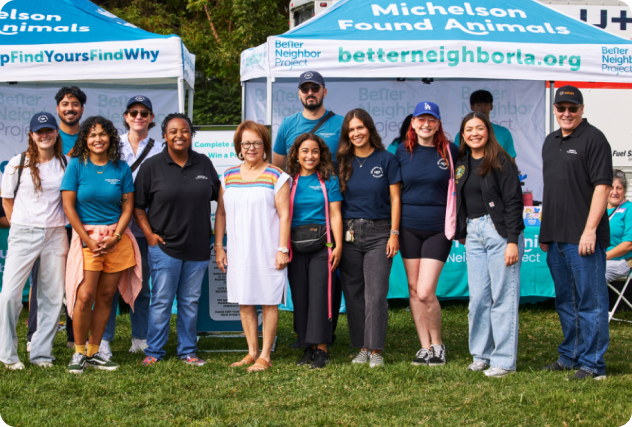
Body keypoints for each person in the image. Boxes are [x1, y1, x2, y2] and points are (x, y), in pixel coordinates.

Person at [134, 113, 220, 367]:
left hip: (198, 247)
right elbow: (138, 207)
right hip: (164, 248)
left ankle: (188, 352)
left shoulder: (204, 163)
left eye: (184, 131)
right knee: (161, 301)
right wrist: (149, 235)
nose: (179, 135)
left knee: (190, 302)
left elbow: (222, 197)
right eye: (173, 131)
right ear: (164, 135)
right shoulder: (151, 167)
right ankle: (154, 352)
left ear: (191, 135)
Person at [540, 86, 612, 380]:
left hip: (583, 238)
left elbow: (602, 187)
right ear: (555, 110)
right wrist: (546, 231)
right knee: (565, 301)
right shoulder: (550, 140)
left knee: (590, 301)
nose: (566, 113)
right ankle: (570, 356)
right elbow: (554, 189)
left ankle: (593, 364)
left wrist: (590, 230)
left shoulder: (594, 139)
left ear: (582, 109)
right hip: (556, 238)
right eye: (561, 108)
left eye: (572, 108)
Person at [61, 116, 141, 374]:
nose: (98, 139)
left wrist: (115, 236)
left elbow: (128, 206)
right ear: (85, 139)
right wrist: (87, 240)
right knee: (84, 296)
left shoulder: (121, 168)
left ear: (111, 138)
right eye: (93, 134)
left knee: (107, 296)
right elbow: (68, 206)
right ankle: (79, 352)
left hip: (116, 239)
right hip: (87, 240)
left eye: (103, 134)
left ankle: (95, 351)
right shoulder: (76, 165)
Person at [272, 71, 345, 342]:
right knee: (301, 288)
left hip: (330, 204)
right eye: (305, 89)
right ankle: (307, 336)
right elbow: (276, 169)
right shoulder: (287, 125)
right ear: (300, 93)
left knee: (326, 284)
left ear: (324, 91)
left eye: (315, 88)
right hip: (296, 216)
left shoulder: (340, 123)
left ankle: (325, 335)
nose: (310, 92)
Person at [215, 120, 291, 372]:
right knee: (244, 301)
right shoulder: (227, 176)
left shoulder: (277, 176)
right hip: (239, 250)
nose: (251, 148)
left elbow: (284, 215)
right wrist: (219, 247)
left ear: (265, 146)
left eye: (256, 143)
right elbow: (222, 215)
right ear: (238, 146)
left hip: (268, 250)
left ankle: (265, 356)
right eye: (246, 143)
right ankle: (251, 352)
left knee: (269, 301)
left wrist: (282, 249)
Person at [455, 112, 525, 378]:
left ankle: (504, 361)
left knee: (503, 298)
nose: (474, 133)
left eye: (479, 128)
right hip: (474, 233)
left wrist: (511, 241)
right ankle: (481, 355)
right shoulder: (461, 163)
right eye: (469, 129)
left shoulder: (501, 161)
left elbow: (514, 202)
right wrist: (463, 230)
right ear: (463, 135)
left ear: (488, 131)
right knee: (478, 299)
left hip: (500, 233)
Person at [0, 112, 69, 370]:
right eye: (39, 131)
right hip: (23, 233)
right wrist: (18, 224)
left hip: (56, 234)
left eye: (48, 130)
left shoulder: (65, 163)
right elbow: (6, 200)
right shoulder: (17, 163)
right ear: (31, 135)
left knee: (52, 298)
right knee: (9, 296)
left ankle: (41, 354)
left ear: (55, 133)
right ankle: (8, 355)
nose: (44, 135)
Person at [395, 103, 459, 367]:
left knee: (424, 291)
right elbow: (394, 191)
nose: (426, 124)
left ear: (438, 123)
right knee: (413, 289)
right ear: (413, 123)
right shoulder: (401, 151)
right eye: (421, 119)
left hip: (438, 229)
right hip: (408, 228)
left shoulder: (450, 151)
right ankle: (424, 347)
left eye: (431, 119)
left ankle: (438, 344)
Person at [337, 108, 401, 368]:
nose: (356, 133)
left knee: (375, 294)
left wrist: (394, 233)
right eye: (351, 130)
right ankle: (362, 347)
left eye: (360, 128)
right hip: (349, 233)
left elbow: (396, 199)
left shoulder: (386, 159)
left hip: (379, 232)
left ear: (369, 129)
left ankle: (376, 350)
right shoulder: (342, 162)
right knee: (353, 293)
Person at [100, 96, 162, 359]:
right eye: (133, 112)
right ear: (126, 117)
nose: (139, 117)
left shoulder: (161, 148)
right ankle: (103, 340)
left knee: (144, 287)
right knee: (109, 287)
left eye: (144, 113)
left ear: (151, 118)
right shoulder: (113, 147)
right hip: (117, 228)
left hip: (147, 227)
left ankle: (140, 338)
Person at [28, 86, 88, 349]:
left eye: (75, 104)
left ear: (82, 109)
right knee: (41, 284)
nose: (70, 108)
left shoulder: (88, 138)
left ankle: (74, 338)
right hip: (48, 224)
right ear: (57, 109)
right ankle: (35, 336)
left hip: (78, 223)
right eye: (65, 104)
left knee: (75, 280)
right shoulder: (47, 136)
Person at [286, 133, 343, 369]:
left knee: (320, 296)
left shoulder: (328, 179)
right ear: (296, 155)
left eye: (315, 151)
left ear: (321, 154)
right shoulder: (287, 180)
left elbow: (336, 214)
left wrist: (338, 245)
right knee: (300, 296)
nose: (310, 156)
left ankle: (321, 349)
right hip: (294, 248)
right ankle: (307, 346)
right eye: (305, 151)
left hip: (323, 245)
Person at [454, 90, 517, 158]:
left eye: (486, 104)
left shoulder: (504, 132)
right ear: (472, 107)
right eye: (479, 105)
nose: (483, 108)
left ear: (491, 107)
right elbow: (457, 160)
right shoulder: (463, 135)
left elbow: (511, 162)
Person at [605, 170, 632, 282]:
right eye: (611, 187)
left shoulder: (629, 208)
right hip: (598, 260)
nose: (614, 192)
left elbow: (628, 245)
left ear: (624, 190)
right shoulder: (599, 209)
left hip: (621, 262)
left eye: (619, 188)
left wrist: (602, 257)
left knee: (591, 273)